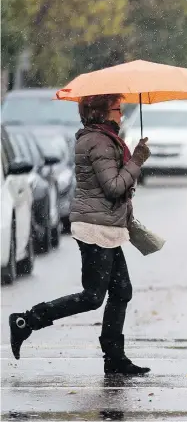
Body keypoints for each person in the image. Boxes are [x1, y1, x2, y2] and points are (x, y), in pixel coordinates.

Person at [9, 94, 151, 375]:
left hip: (105, 226)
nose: (121, 114)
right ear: (101, 112)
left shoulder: (104, 138)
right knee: (93, 296)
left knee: (121, 291)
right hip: (95, 228)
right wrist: (137, 160)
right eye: (117, 108)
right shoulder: (97, 141)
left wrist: (132, 159)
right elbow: (112, 186)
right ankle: (26, 321)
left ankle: (114, 357)